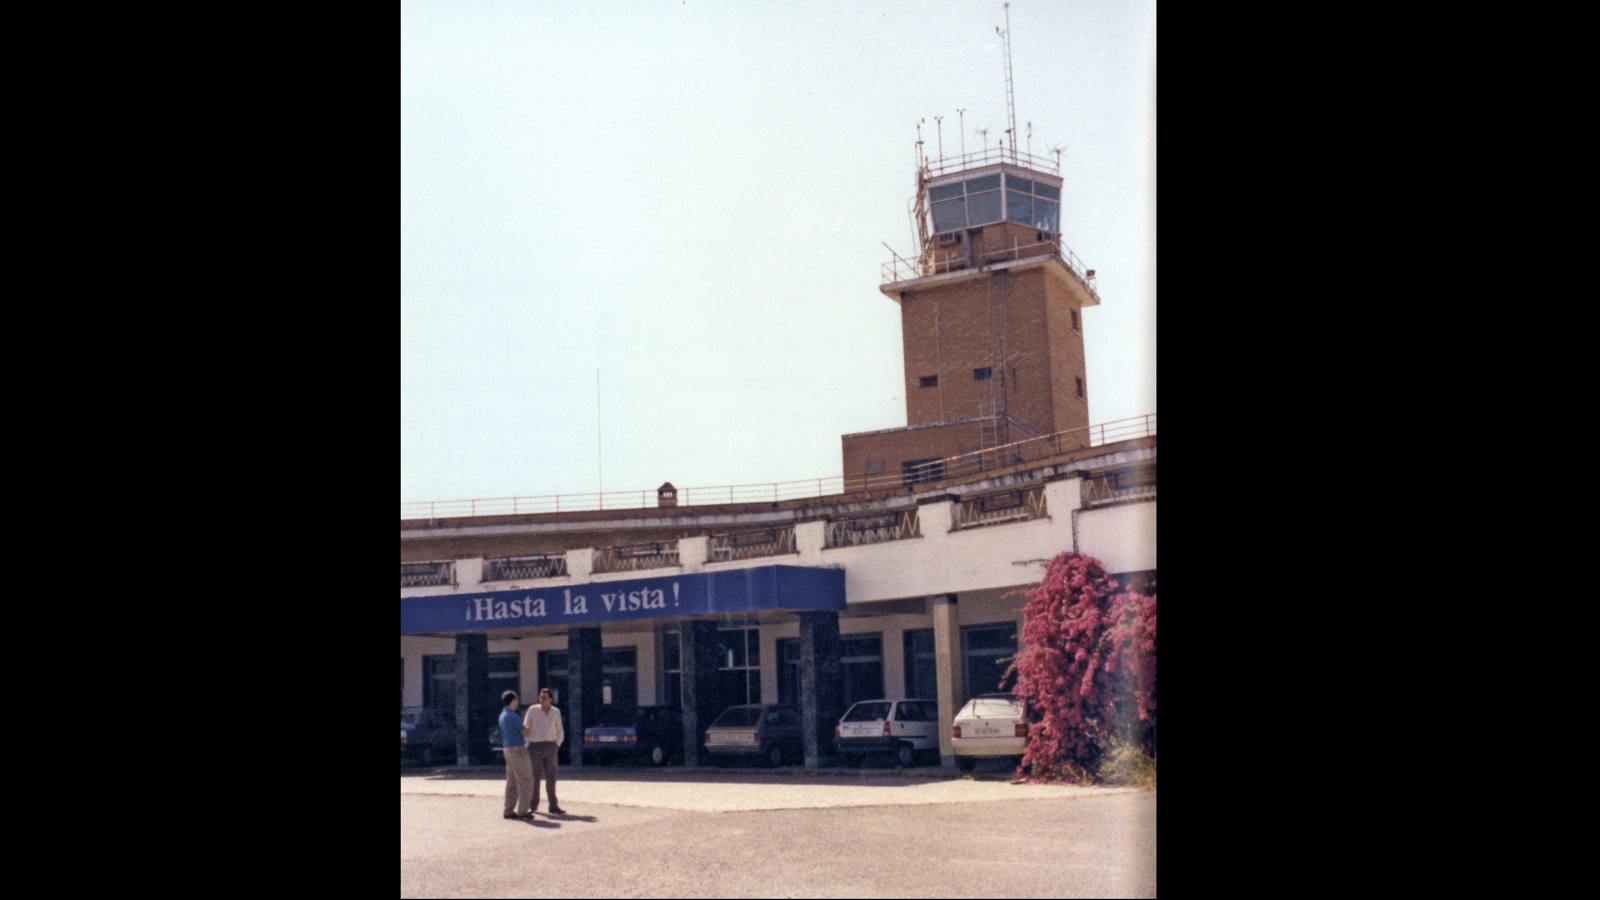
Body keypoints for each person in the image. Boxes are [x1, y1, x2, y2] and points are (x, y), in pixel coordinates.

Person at [522, 687, 565, 815]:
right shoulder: (532, 710)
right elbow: (525, 727)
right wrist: (527, 744)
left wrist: (557, 744)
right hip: (534, 746)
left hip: (550, 746)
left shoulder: (556, 712)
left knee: (551, 777)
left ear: (550, 699)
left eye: (544, 697)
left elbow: (560, 730)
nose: (541, 699)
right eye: (540, 697)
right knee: (534, 777)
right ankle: (533, 806)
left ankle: (553, 805)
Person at [499, 690, 535, 820]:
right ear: (513, 701)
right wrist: (530, 726)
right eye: (517, 700)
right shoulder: (513, 716)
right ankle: (523, 810)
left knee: (512, 782)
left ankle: (508, 810)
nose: (517, 702)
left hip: (507, 749)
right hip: (518, 750)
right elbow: (524, 733)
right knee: (526, 780)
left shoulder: (502, 715)